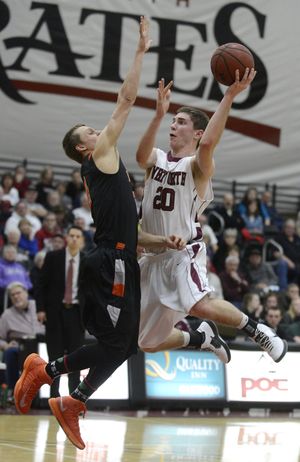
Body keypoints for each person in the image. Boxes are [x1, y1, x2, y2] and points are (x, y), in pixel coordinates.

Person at [14, 17, 160, 451]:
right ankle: (45, 371)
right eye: (91, 133)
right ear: (84, 147)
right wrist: (139, 53)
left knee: (124, 345)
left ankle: (73, 401)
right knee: (119, 342)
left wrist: (158, 242)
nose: (100, 132)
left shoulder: (102, 168)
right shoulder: (99, 156)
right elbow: (127, 98)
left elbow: (127, 230)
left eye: (97, 131)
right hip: (111, 260)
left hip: (121, 256)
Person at [135, 71, 288, 364]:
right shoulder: (157, 158)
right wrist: (157, 115)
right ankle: (200, 338)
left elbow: (207, 145)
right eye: (173, 120)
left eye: (181, 121)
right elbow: (141, 157)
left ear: (197, 133)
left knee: (199, 305)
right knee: (146, 342)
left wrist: (229, 95)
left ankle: (259, 331)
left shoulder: (197, 166)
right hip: (152, 255)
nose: (173, 124)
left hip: (182, 252)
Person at [35, 225, 85, 397]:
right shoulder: (53, 257)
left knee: (75, 360)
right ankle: (53, 398)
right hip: (55, 313)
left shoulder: (87, 260)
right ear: (66, 238)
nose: (74, 239)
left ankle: (74, 399)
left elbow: (92, 291)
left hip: (77, 314)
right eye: (71, 235)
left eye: (78, 236)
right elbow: (41, 285)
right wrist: (40, 309)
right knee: (54, 358)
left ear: (82, 240)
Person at [0, 282, 44, 401]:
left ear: (26, 293)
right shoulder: (7, 315)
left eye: (18, 293)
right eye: (12, 295)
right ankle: (14, 391)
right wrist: (6, 345)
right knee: (10, 352)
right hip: (20, 347)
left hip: (42, 344)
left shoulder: (38, 306)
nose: (16, 296)